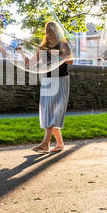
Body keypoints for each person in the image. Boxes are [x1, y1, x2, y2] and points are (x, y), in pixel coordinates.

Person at [16, 21, 73, 153]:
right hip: (48, 80)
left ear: (56, 30)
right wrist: (21, 53)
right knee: (48, 110)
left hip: (60, 79)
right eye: (47, 29)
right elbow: (29, 64)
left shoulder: (63, 44)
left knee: (54, 111)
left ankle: (45, 144)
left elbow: (70, 60)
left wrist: (56, 57)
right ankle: (59, 144)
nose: (48, 32)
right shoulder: (42, 47)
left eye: (51, 29)